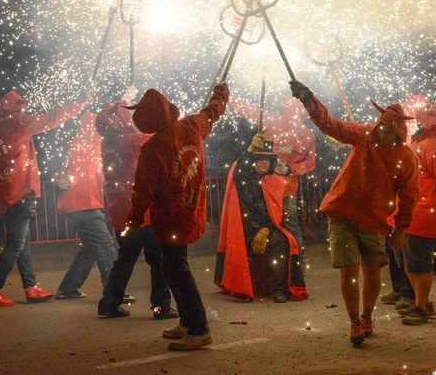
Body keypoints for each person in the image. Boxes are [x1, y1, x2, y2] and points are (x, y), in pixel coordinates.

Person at [289, 80, 419, 346]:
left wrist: (402, 229)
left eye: (389, 130)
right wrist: (309, 100)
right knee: (349, 269)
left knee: (372, 270)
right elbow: (330, 125)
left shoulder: (407, 158)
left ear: (399, 132)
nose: (383, 134)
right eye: (381, 127)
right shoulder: (363, 135)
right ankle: (354, 322)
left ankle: (368, 316)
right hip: (342, 212)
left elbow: (409, 196)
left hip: (374, 219)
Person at [125, 83, 229, 351]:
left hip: (170, 220)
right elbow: (212, 111)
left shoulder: (153, 149)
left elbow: (142, 191)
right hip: (192, 213)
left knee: (178, 270)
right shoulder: (192, 126)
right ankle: (187, 321)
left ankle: (198, 329)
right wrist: (221, 93)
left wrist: (133, 221)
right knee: (171, 268)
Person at [0, 88, 91, 307]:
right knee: (16, 244)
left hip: (1, 195)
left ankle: (31, 287)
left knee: (21, 242)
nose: (25, 112)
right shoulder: (18, 123)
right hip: (20, 192)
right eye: (23, 108)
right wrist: (78, 103)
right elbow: (51, 119)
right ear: (16, 108)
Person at [95, 93, 177, 320]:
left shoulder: (107, 141)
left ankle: (108, 304)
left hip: (119, 212)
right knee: (158, 259)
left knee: (125, 259)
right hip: (141, 211)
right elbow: (159, 137)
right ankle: (161, 306)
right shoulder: (131, 140)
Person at [393, 98, 436, 326]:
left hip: (422, 213)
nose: (422, 119)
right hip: (409, 211)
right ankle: (419, 302)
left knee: (417, 263)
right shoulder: (423, 141)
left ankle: (422, 306)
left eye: (427, 117)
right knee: (406, 261)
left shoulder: (433, 146)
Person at [214, 133, 308, 303]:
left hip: (267, 228)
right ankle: (244, 286)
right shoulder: (244, 178)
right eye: (260, 158)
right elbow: (238, 168)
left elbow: (275, 214)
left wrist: (264, 230)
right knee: (243, 248)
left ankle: (279, 289)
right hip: (244, 229)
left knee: (282, 241)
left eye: (268, 159)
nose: (264, 161)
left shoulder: (276, 181)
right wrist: (250, 151)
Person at [231, 96, 316, 263]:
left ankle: (272, 265)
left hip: (273, 187)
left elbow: (250, 111)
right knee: (286, 226)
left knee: (264, 223)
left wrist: (230, 99)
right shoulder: (306, 134)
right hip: (274, 187)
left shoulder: (304, 133)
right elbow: (310, 164)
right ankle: (292, 266)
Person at [53, 110, 117, 300]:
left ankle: (68, 288)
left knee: (90, 248)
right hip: (84, 205)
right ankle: (114, 292)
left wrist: (58, 180)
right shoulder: (93, 144)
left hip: (76, 206)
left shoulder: (77, 144)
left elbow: (62, 171)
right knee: (105, 245)